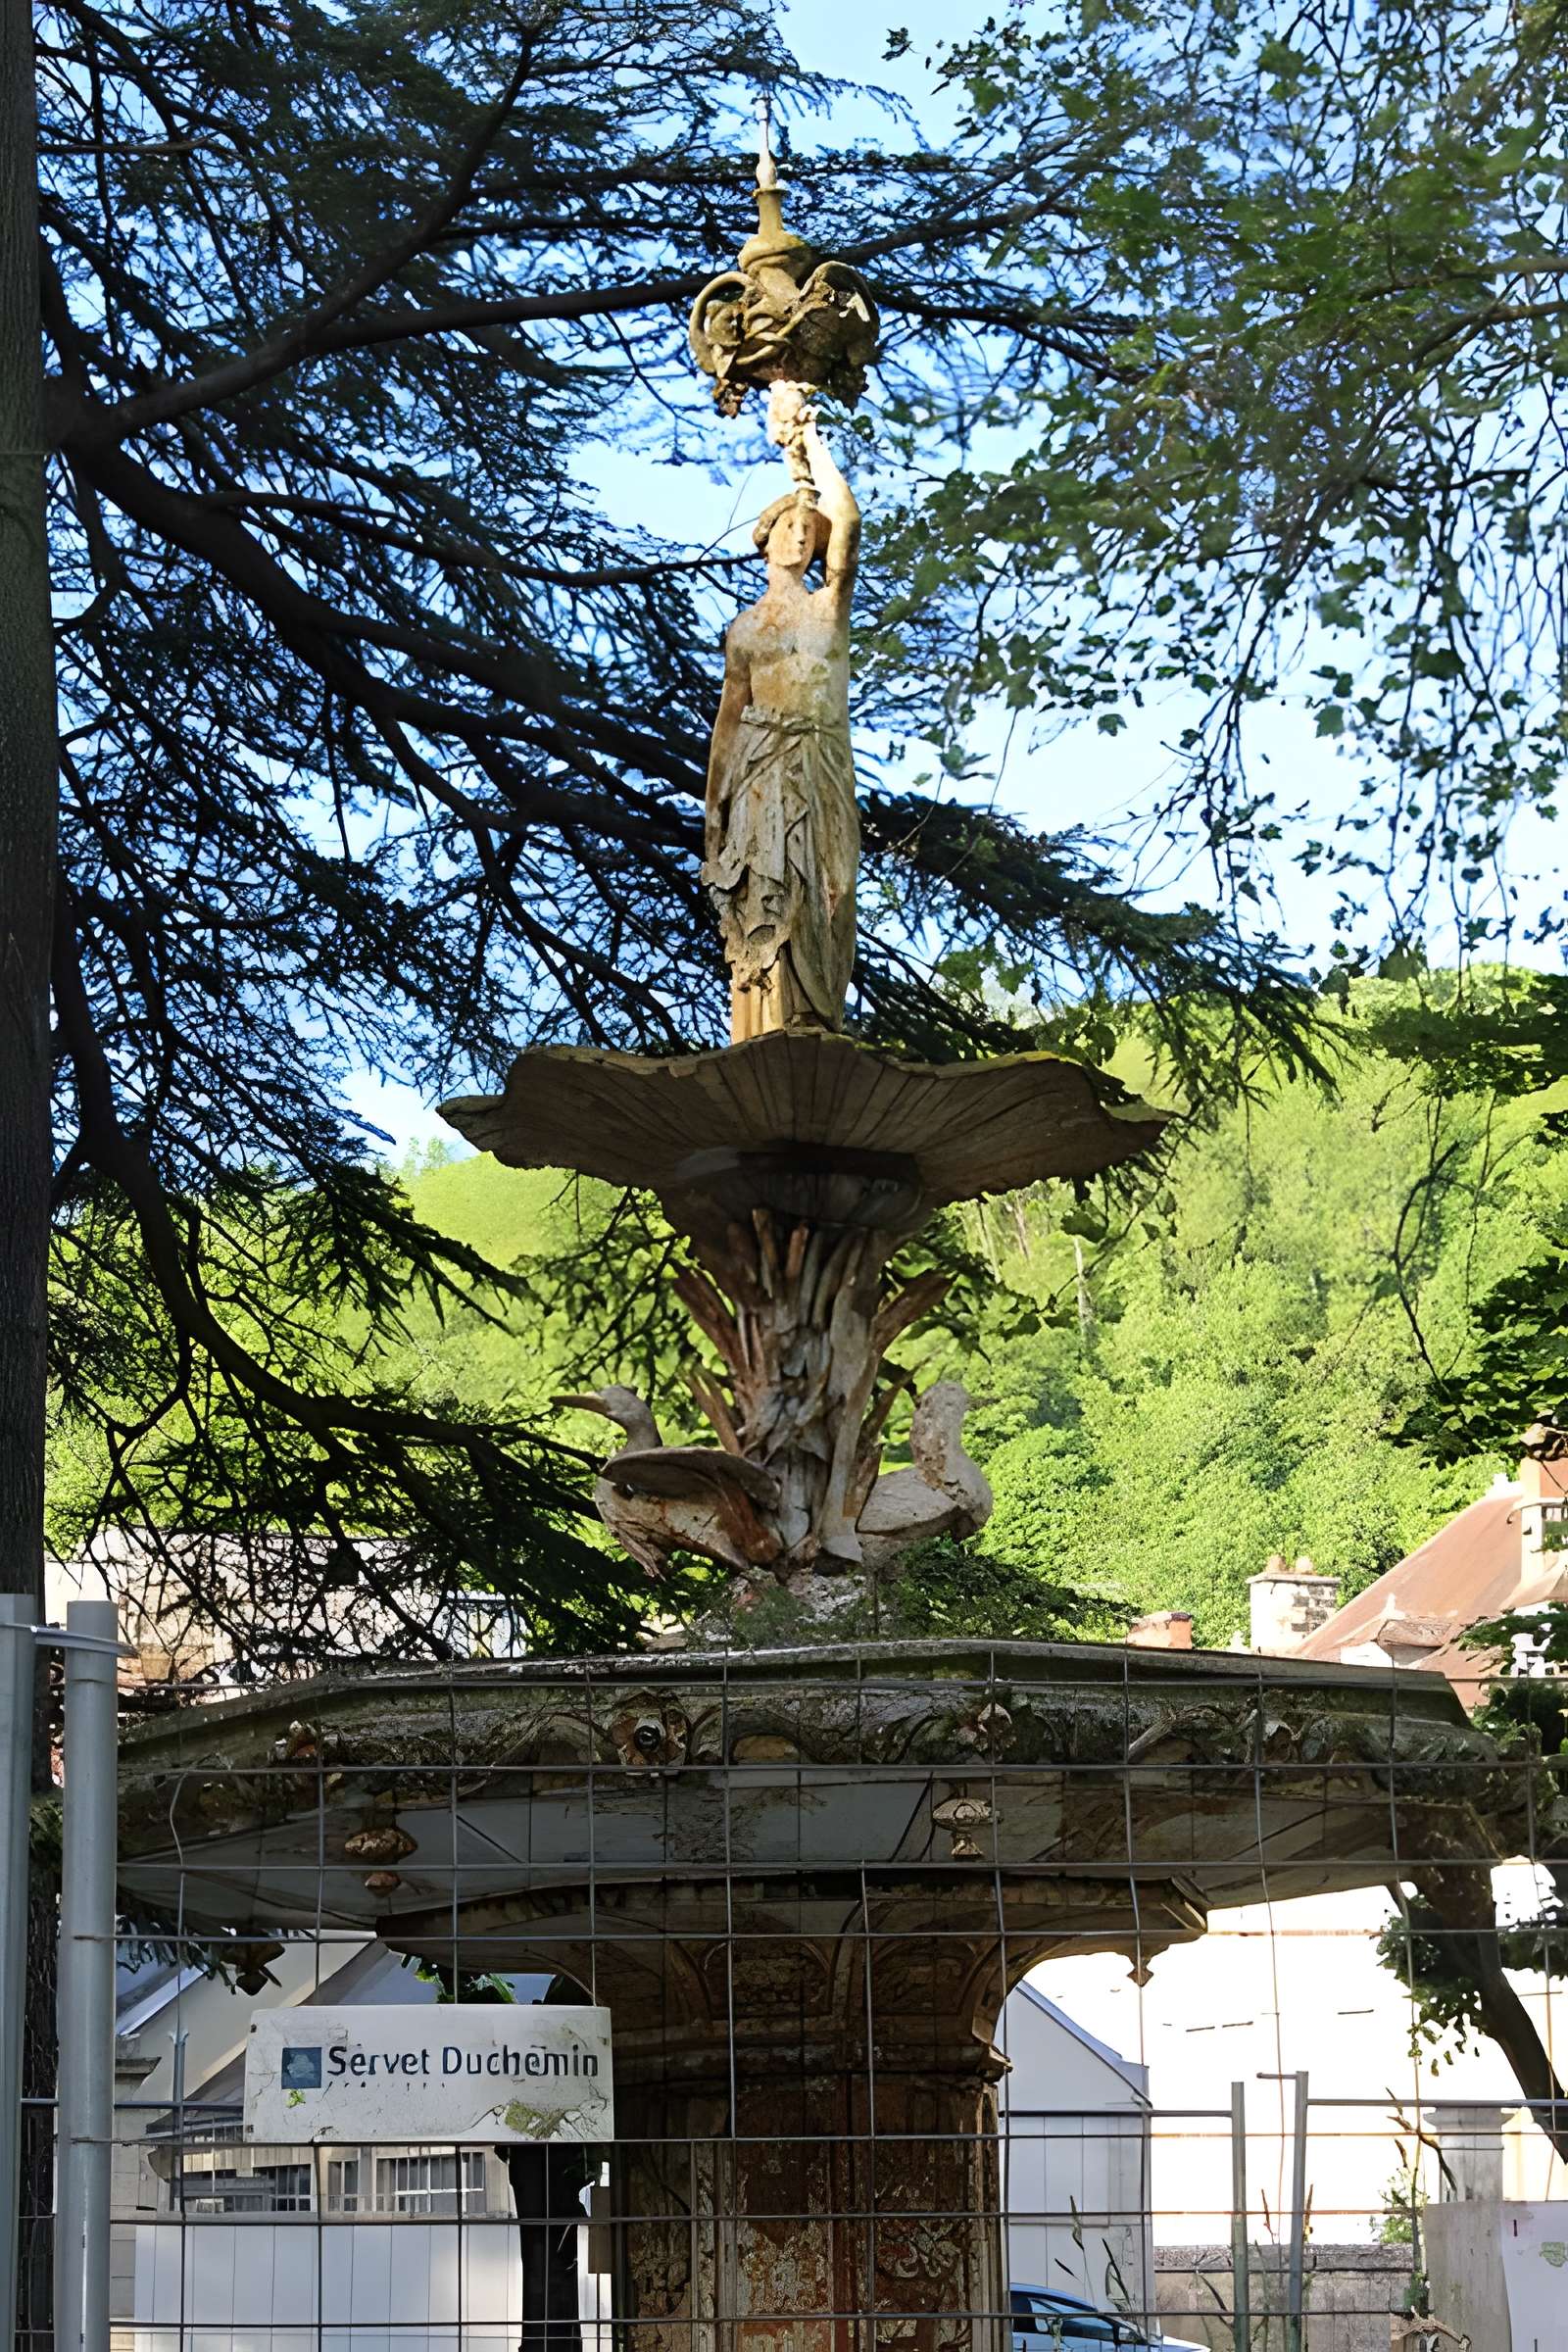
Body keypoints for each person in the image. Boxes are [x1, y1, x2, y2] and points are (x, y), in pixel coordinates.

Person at [704, 382, 860, 1039]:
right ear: (766, 540)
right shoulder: (744, 631)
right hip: (760, 767)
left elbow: (847, 519)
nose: (802, 537)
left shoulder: (829, 607)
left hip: (819, 761)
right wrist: (713, 811)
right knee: (766, 891)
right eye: (791, 528)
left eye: (809, 532)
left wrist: (808, 442)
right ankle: (765, 1021)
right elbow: (727, 722)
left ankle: (814, 1015)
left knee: (826, 893)